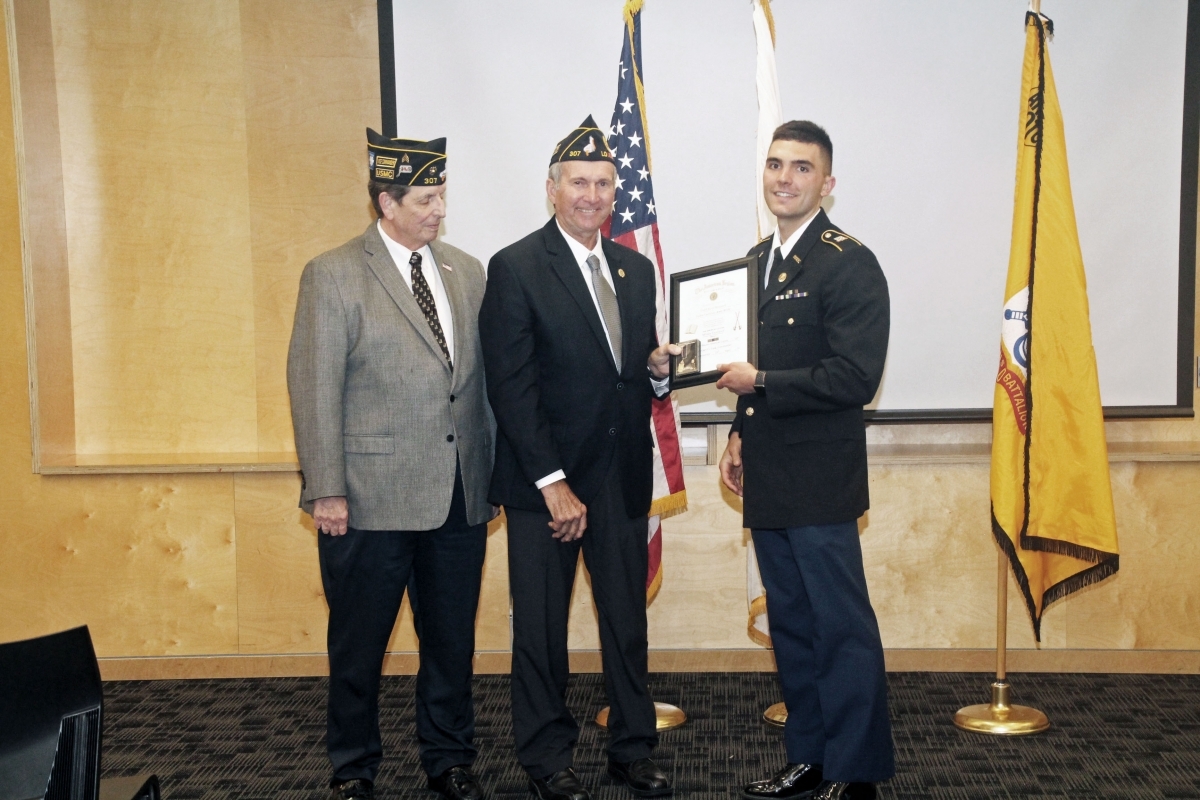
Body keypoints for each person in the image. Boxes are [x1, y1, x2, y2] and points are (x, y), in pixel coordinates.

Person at [287, 130, 495, 800]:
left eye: (441, 197)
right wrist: (326, 488)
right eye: (426, 199)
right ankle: (354, 768)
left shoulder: (468, 271)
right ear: (387, 201)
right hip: (367, 500)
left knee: (451, 644)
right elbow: (314, 386)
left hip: (459, 497)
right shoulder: (334, 272)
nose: (439, 211)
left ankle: (448, 759)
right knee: (358, 647)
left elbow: (479, 383)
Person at [479, 116, 679, 800]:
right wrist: (553, 482)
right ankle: (545, 759)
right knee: (541, 632)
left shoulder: (634, 267)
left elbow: (630, 375)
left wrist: (657, 370)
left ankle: (631, 748)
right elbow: (512, 386)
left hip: (620, 482)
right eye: (578, 182)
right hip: (547, 491)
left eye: (602, 183)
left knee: (627, 626)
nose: (591, 195)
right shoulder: (515, 267)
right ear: (551, 190)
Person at [715, 121, 894, 800]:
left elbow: (855, 377)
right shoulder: (758, 259)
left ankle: (857, 771)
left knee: (840, 627)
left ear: (828, 183)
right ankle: (811, 755)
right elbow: (750, 366)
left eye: (800, 168)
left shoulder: (848, 261)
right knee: (792, 624)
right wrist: (737, 433)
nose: (783, 179)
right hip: (769, 472)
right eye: (774, 165)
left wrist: (757, 385)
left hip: (820, 476)